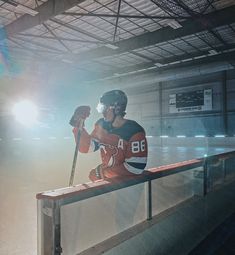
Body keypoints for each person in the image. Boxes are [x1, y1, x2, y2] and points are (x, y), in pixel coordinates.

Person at [70, 90, 148, 182]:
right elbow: (87, 148)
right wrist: (78, 124)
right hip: (110, 183)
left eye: (103, 108)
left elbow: (135, 168)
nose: (102, 113)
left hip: (128, 187)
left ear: (115, 109)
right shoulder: (101, 125)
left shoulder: (134, 131)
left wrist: (102, 173)